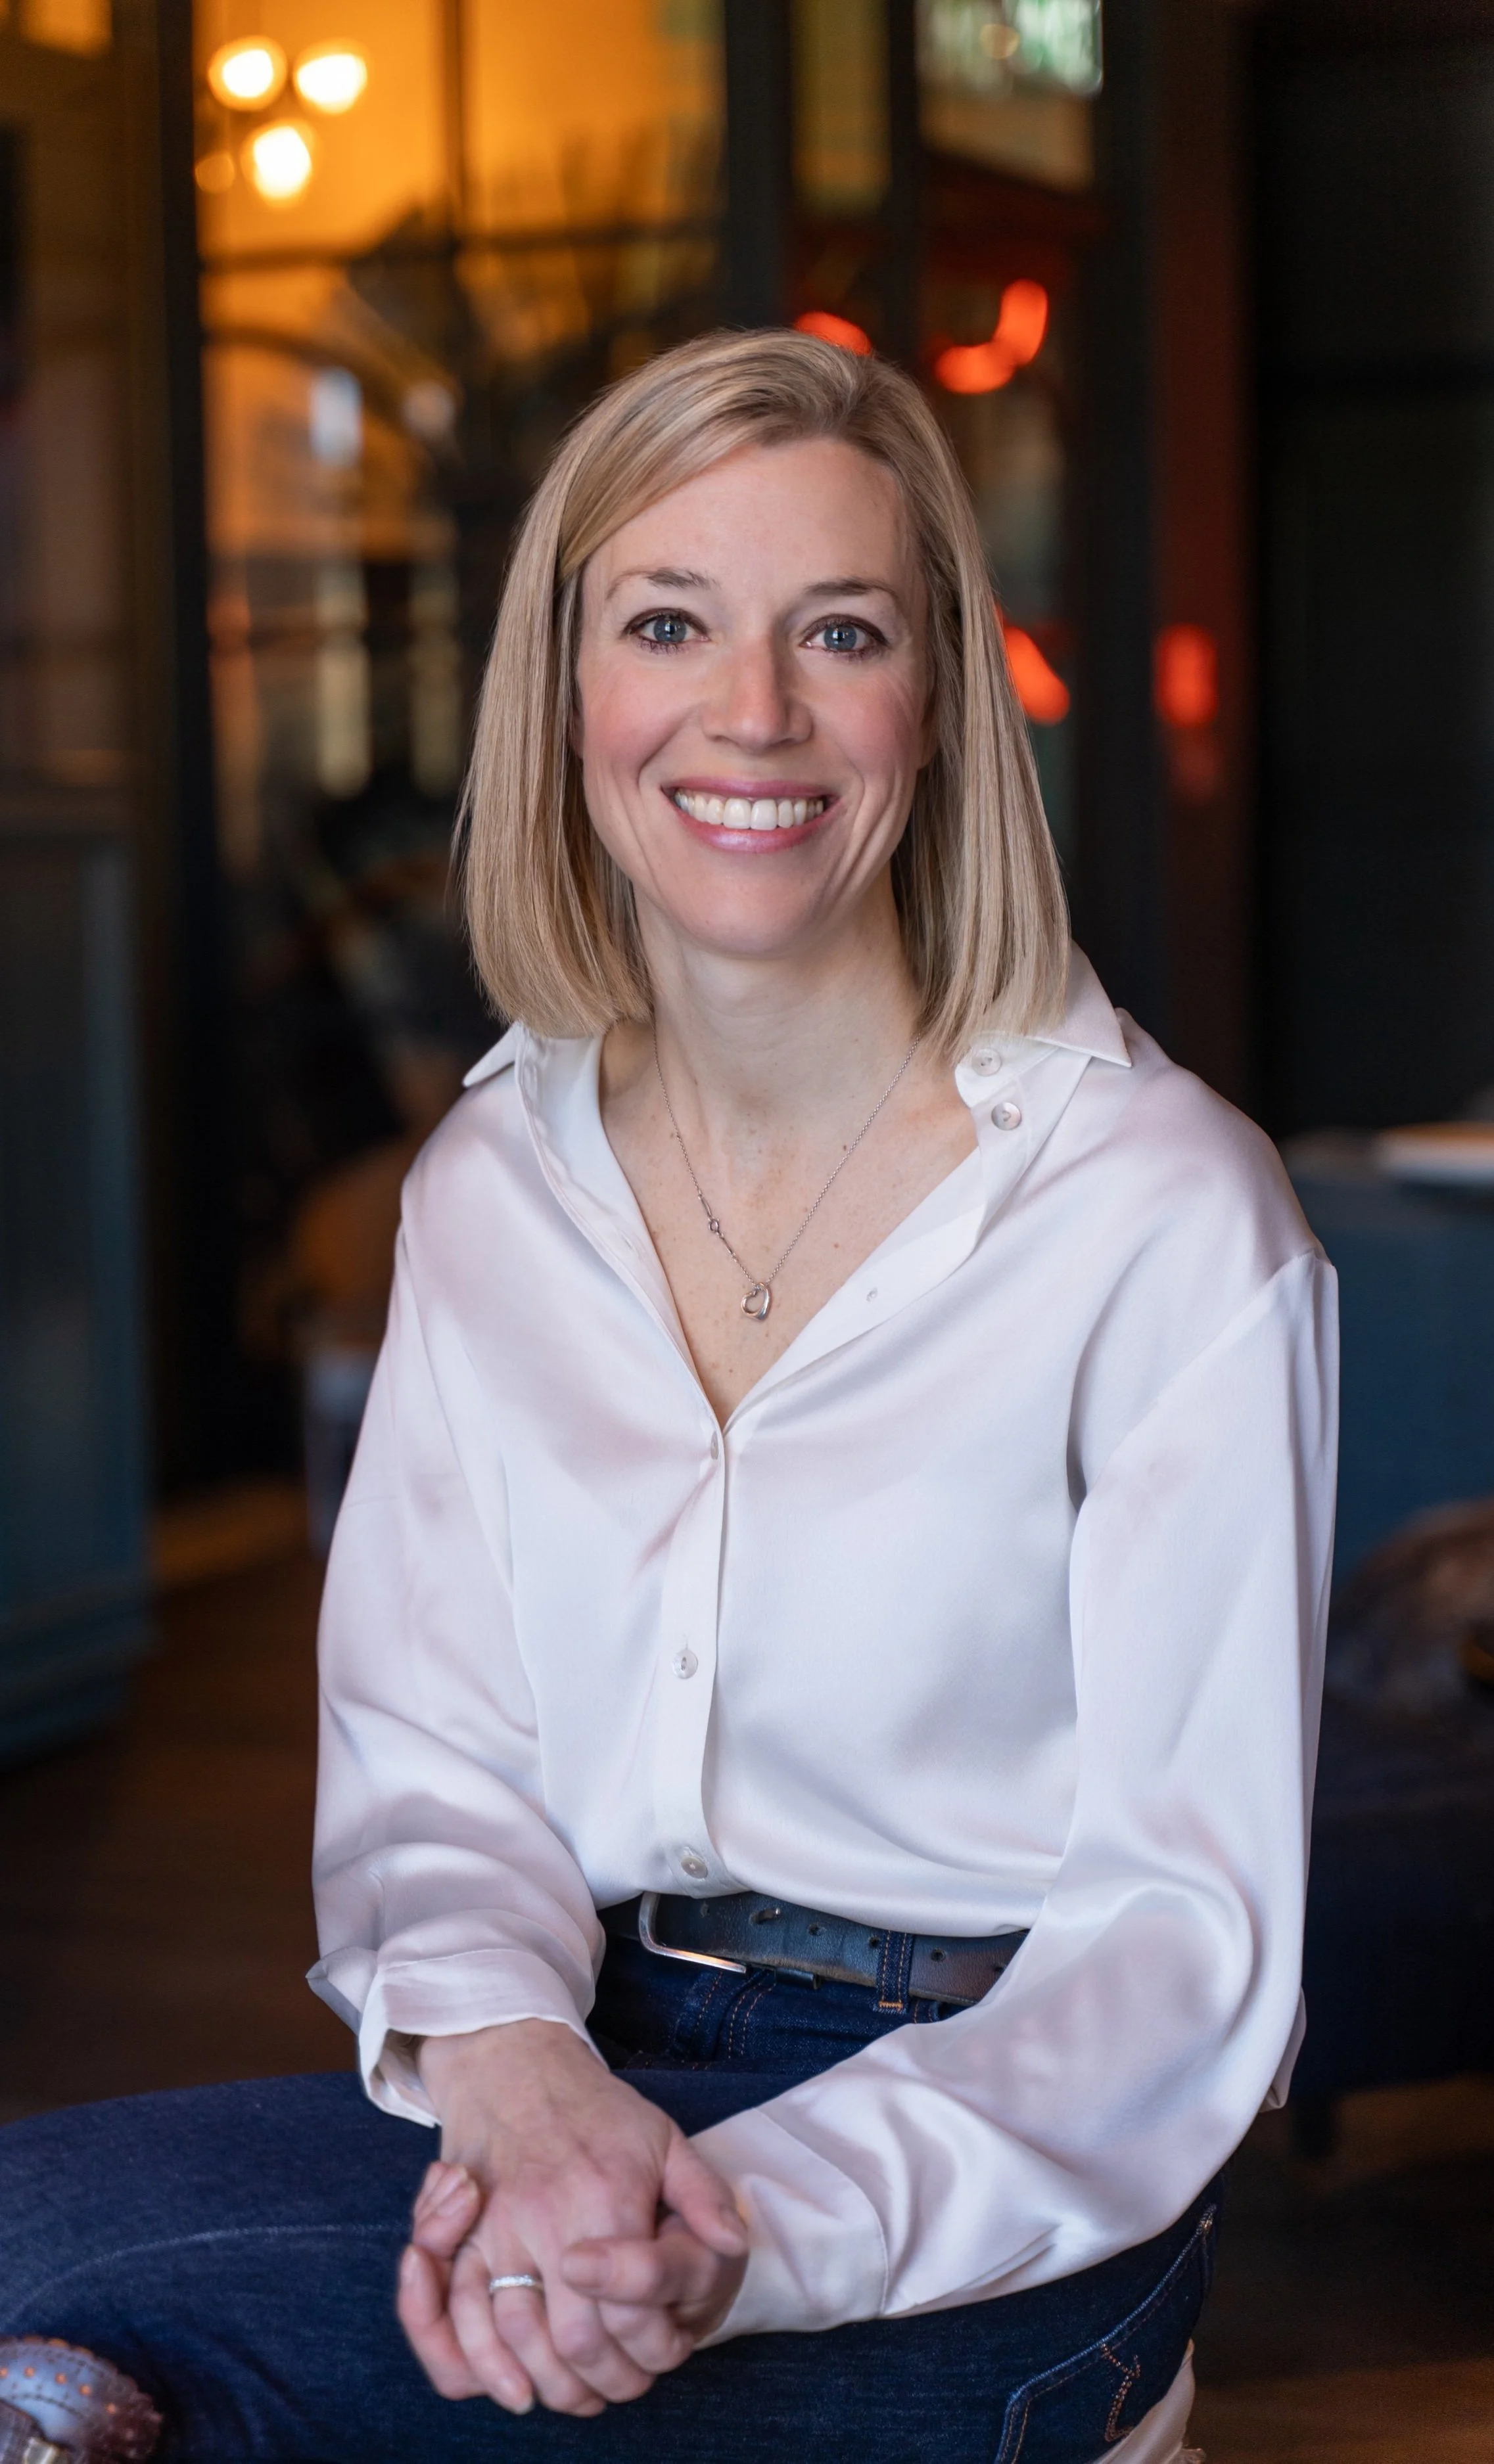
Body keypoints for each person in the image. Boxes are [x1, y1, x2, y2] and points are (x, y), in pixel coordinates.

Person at [0, 330, 1336, 2464]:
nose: (754, 713)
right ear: (575, 694)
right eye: (668, 623)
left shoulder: (1169, 1215)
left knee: (171, 2365)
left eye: (842, 631)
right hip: (579, 2073)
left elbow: (1180, 1952)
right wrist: (525, 2081)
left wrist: (727, 2226)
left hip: (1001, 2165)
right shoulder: (490, 1191)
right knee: (24, 2272)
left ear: (939, 705)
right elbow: (436, 1765)